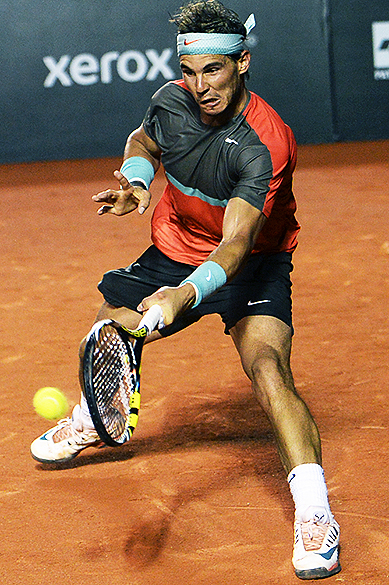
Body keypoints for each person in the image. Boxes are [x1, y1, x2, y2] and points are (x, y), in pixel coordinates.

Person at [31, 1, 341, 579]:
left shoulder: (264, 144)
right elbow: (143, 141)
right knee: (109, 326)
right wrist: (137, 182)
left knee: (269, 369)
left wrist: (183, 296)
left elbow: (236, 245)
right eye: (190, 71)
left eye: (214, 71)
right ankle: (98, 417)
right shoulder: (171, 101)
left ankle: (316, 515)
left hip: (250, 262)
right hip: (176, 243)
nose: (199, 86)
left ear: (242, 62)